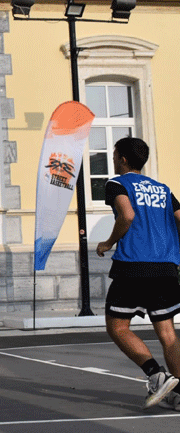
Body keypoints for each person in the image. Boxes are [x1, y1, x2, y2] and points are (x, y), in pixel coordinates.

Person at [96, 137, 180, 410]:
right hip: (166, 266)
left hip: (134, 265)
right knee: (167, 333)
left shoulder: (117, 183)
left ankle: (156, 375)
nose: (112, 160)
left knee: (118, 327)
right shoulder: (162, 189)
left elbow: (127, 215)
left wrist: (108, 242)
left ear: (122, 159)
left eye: (114, 155)